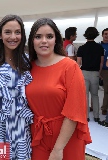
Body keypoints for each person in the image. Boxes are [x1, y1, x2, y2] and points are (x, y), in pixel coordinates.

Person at [25, 18, 91, 160]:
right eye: (38, 36)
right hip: (38, 136)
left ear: (56, 40)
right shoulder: (28, 69)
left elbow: (75, 111)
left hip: (66, 138)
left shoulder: (70, 67)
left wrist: (58, 149)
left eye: (49, 36)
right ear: (32, 41)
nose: (44, 41)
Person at [0, 14, 33, 160]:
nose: (13, 37)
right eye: (8, 32)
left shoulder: (26, 59)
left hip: (22, 125)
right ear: (0, 35)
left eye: (17, 32)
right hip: (0, 126)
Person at [77, 27, 104, 122]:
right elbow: (101, 62)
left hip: (84, 73)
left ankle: (86, 116)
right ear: (96, 35)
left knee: (85, 95)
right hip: (95, 73)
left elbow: (78, 63)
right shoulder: (100, 47)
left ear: (85, 35)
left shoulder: (81, 48)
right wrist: (99, 73)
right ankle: (96, 116)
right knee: (95, 95)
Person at [100, 28, 108, 116]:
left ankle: (104, 108)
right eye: (105, 34)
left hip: (106, 70)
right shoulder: (98, 46)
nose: (107, 36)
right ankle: (92, 106)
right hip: (97, 70)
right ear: (102, 35)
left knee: (106, 90)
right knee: (93, 90)